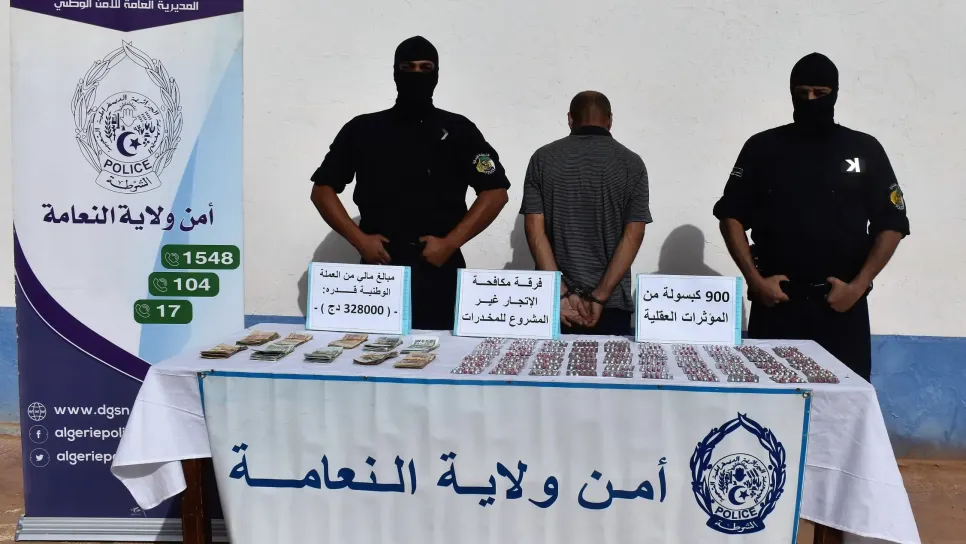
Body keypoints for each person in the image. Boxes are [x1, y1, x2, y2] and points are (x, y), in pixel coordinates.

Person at [713, 53, 909, 380]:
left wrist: (857, 287)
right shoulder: (763, 148)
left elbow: (892, 223)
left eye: (820, 92)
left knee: (843, 403)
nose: (810, 100)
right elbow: (730, 216)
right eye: (802, 92)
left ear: (835, 93)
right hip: (777, 306)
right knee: (771, 403)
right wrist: (755, 281)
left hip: (841, 308)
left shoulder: (863, 149)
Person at [310, 36, 510, 330]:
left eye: (426, 67)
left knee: (443, 353)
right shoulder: (363, 129)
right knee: (369, 353)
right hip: (379, 271)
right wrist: (360, 241)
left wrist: (450, 243)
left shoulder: (459, 130)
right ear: (395, 72)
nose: (417, 74)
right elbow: (322, 190)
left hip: (439, 267)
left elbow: (495, 192)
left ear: (437, 74)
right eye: (408, 67)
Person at [521, 91, 651, 335]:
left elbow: (534, 231)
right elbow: (634, 234)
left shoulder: (542, 159)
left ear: (570, 119)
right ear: (610, 120)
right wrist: (599, 296)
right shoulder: (632, 164)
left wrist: (560, 294)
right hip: (610, 303)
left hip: (554, 304)